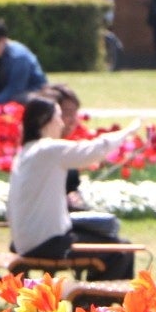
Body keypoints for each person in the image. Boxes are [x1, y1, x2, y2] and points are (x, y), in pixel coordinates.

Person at [7, 97, 143, 280]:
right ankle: (92, 297)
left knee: (112, 242)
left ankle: (90, 295)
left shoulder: (25, 152)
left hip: (24, 242)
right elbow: (93, 150)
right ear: (44, 121)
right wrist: (128, 131)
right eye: (58, 117)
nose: (62, 123)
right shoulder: (47, 149)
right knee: (122, 250)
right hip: (47, 243)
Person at [33, 83, 122, 242]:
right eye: (67, 113)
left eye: (75, 113)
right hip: (47, 231)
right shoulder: (43, 152)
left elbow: (69, 188)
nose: (73, 120)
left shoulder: (59, 150)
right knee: (117, 245)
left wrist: (73, 196)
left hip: (59, 224)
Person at [0, 18, 48, 104]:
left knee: (19, 99)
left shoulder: (19, 56)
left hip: (30, 91)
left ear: (3, 40)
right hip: (2, 92)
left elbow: (15, 88)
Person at [91, 0, 123, 69]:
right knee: (108, 39)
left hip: (96, 14)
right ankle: (108, 62)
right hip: (107, 16)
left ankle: (101, 60)